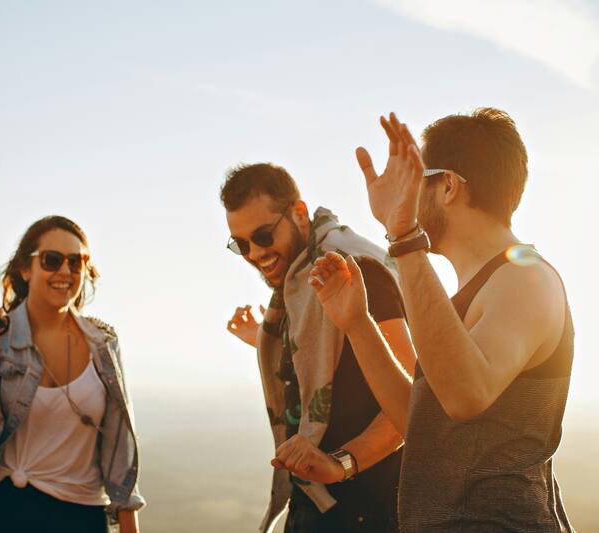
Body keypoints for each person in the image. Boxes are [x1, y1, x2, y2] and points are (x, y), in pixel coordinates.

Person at [292, 109, 574, 531]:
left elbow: (466, 394)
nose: (406, 195)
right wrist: (358, 324)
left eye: (414, 181)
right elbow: (424, 425)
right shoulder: (475, 290)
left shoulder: (525, 277)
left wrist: (403, 237)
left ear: (446, 186)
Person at [222, 163, 415, 532]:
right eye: (240, 244)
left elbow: (410, 401)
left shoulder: (355, 271)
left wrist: (342, 465)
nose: (253, 253)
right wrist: (263, 340)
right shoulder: (298, 284)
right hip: (316, 504)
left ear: (298, 213)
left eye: (262, 235)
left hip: (369, 509)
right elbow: (331, 364)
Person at [0, 215, 144, 533]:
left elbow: (119, 453)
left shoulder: (103, 344)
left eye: (76, 262)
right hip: (0, 513)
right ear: (25, 269)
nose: (65, 272)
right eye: (52, 260)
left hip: (80, 516)